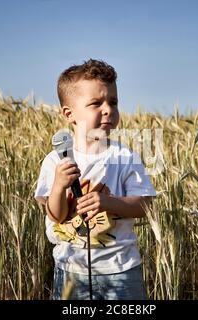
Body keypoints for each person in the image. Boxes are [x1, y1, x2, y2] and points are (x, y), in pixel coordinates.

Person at [34, 59, 156, 300]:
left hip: (120, 269)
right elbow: (55, 215)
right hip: (71, 270)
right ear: (69, 114)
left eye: (113, 102)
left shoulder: (125, 157)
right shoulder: (54, 161)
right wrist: (59, 186)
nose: (108, 109)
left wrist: (108, 203)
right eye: (95, 103)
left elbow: (145, 205)